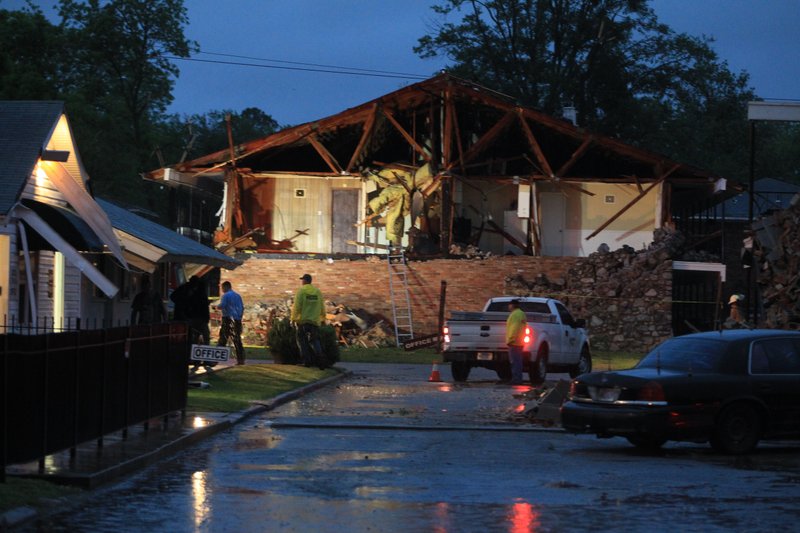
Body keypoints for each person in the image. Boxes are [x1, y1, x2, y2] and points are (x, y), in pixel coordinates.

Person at [291, 273, 326, 367]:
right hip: (314, 321)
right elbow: (322, 305)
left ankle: (307, 361)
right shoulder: (317, 292)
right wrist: (323, 317)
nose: (302, 281)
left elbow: (297, 306)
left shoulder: (301, 291)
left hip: (303, 321)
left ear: (305, 281)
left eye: (302, 280)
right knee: (315, 340)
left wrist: (293, 319)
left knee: (302, 341)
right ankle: (321, 360)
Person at [215, 281, 245, 365]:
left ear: (225, 287)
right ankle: (240, 359)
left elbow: (223, 305)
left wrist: (217, 307)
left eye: (222, 288)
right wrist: (239, 317)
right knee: (237, 340)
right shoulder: (238, 296)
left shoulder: (226, 295)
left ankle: (216, 358)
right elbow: (242, 307)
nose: (222, 290)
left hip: (228, 319)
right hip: (237, 319)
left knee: (223, 338)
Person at [506, 299, 527, 385]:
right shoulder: (521, 313)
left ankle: (516, 379)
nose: (508, 306)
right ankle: (518, 378)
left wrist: (511, 339)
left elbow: (514, 328)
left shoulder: (515, 315)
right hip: (520, 341)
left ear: (512, 305)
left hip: (514, 342)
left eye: (509, 305)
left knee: (514, 362)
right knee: (518, 361)